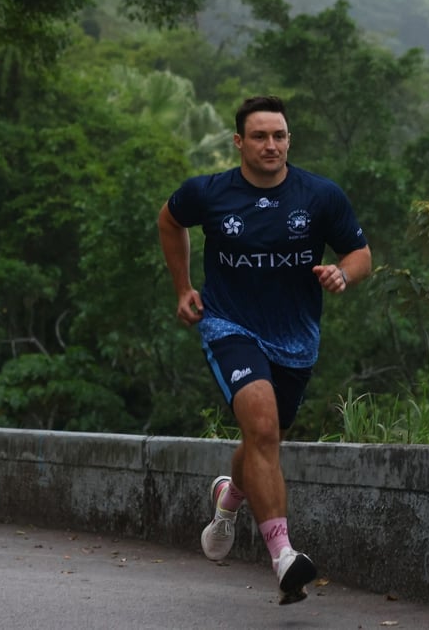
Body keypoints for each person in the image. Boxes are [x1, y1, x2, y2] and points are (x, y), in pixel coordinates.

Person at [157, 96, 372, 605]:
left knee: (264, 440)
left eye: (279, 135)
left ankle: (228, 498)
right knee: (262, 427)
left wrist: (342, 272)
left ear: (289, 140)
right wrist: (183, 287)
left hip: (296, 339)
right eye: (259, 136)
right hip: (229, 325)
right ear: (239, 142)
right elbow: (170, 221)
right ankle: (284, 556)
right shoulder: (209, 194)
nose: (271, 145)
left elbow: (360, 252)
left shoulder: (320, 196)